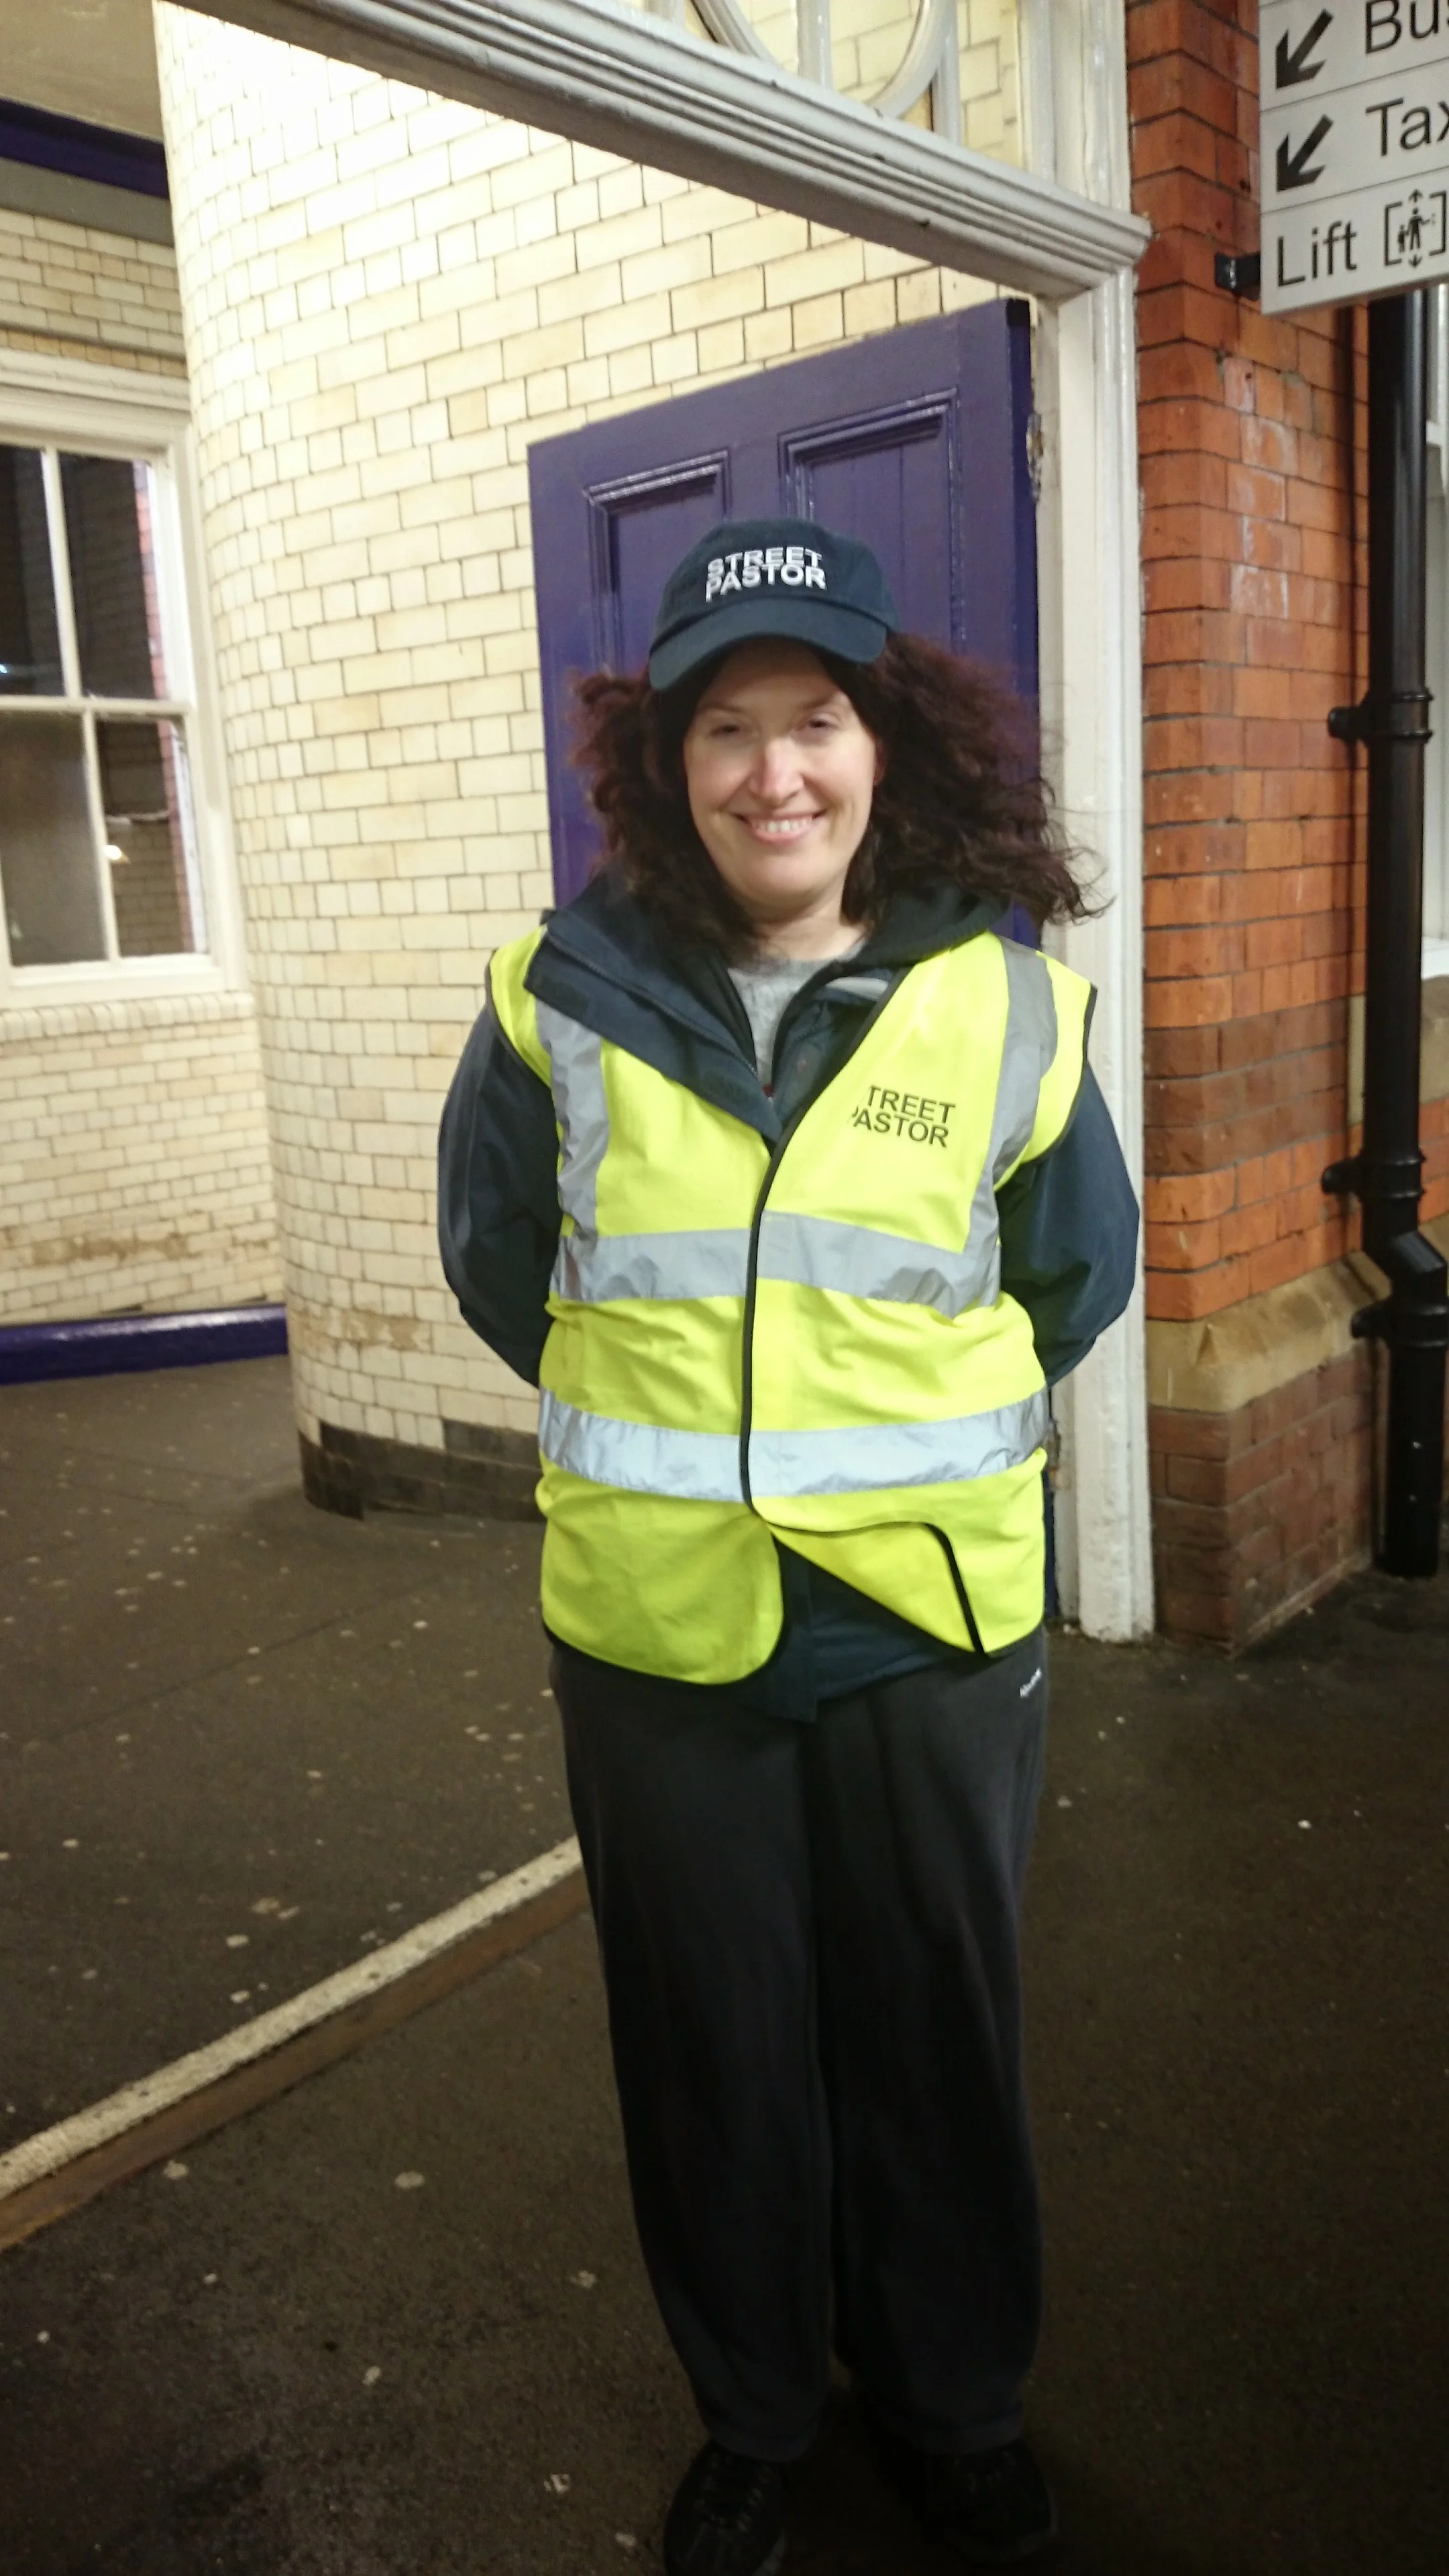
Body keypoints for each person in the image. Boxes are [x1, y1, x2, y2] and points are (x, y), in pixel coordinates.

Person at [438, 518, 1138, 2573]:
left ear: (880, 742)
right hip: (662, 1641)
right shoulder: (554, 1002)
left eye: (812, 722)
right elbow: (505, 1274)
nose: (774, 775)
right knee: (712, 2045)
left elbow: (1070, 1280)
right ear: (665, 763)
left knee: (938, 2031)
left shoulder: (1002, 1005)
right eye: (724, 729)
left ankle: (956, 2406)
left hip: (927, 1633)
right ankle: (756, 2412)